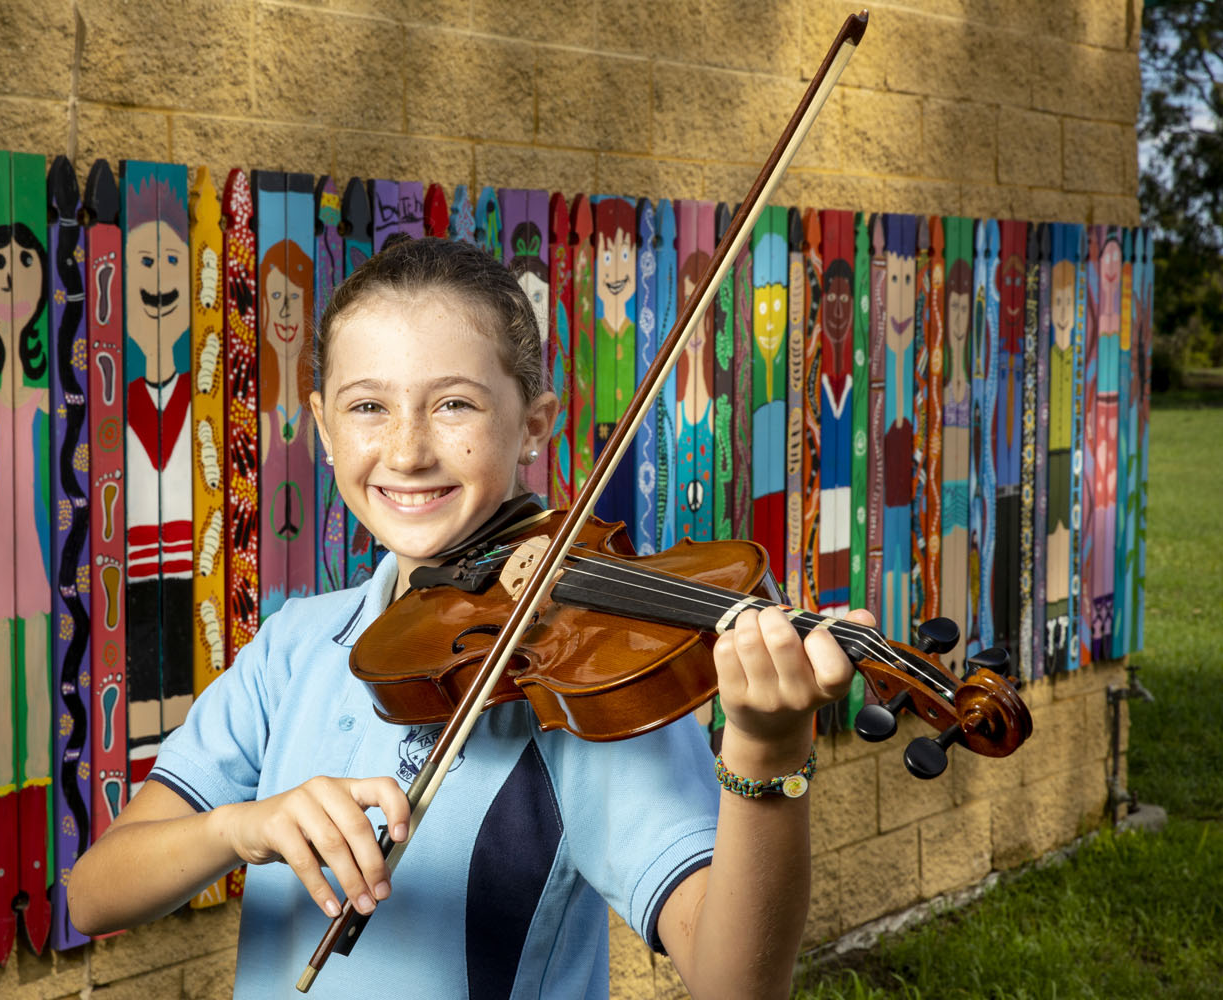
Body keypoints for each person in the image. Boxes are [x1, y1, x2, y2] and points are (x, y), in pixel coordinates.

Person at [68, 237, 875, 999]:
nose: (408, 450)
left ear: (533, 425)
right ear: (322, 427)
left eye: (453, 404)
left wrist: (768, 755)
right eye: (367, 407)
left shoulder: (576, 680)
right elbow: (95, 894)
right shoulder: (298, 646)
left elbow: (738, 981)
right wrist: (242, 829)